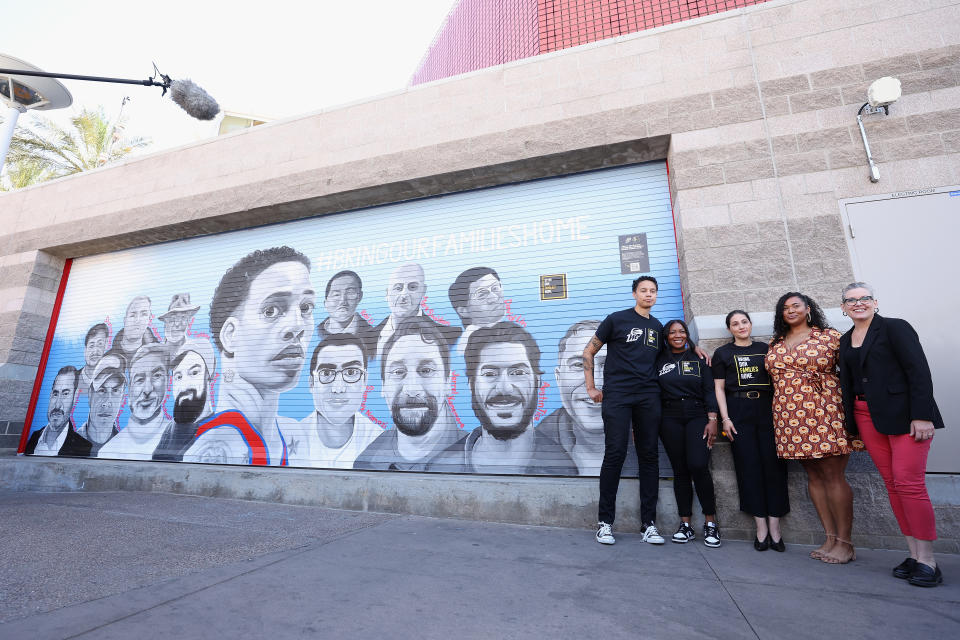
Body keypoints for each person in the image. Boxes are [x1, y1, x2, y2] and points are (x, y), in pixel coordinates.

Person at [838, 282, 945, 587]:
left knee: (909, 484)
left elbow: (919, 371)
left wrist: (922, 415)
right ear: (844, 307)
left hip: (905, 416)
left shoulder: (895, 328)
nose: (859, 303)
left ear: (875, 302)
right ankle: (913, 554)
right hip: (865, 416)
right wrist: (851, 427)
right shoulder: (846, 341)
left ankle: (928, 560)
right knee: (892, 485)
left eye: (864, 298)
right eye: (851, 300)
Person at [182, 246, 315, 466]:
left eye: (306, 307)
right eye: (271, 310)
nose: (297, 326)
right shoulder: (217, 448)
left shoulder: (293, 432)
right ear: (230, 336)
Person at [765, 292, 863, 564]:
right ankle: (830, 538)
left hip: (823, 409)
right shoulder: (776, 342)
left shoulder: (830, 337)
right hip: (789, 415)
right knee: (815, 477)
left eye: (796, 305)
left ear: (808, 309)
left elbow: (852, 373)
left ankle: (846, 543)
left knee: (833, 475)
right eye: (785, 308)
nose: (790, 310)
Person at [430, 322, 576, 475]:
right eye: (490, 374)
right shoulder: (442, 467)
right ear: (471, 384)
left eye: (518, 373)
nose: (504, 388)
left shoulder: (562, 467)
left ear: (537, 381)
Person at [586, 275, 666, 546]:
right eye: (643, 290)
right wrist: (591, 387)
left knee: (649, 455)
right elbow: (588, 352)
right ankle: (605, 523)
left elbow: (670, 356)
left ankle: (649, 525)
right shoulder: (616, 319)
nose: (648, 295)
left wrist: (696, 348)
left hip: (648, 396)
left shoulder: (657, 327)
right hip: (618, 395)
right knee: (616, 452)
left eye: (653, 291)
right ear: (634, 294)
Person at [712, 310, 789, 551]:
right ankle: (761, 528)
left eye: (744, 321)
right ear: (729, 329)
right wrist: (725, 419)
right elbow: (719, 389)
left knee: (774, 466)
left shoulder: (767, 349)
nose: (741, 326)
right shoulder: (723, 353)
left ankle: (775, 528)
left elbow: (780, 382)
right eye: (735, 324)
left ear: (751, 324)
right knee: (748, 467)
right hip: (738, 411)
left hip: (768, 410)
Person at [355, 316, 465, 471]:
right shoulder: (366, 462)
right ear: (383, 386)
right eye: (398, 372)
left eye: (426, 370)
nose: (412, 389)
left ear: (448, 382)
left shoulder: (474, 459)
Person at [656, 319, 721, 548]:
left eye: (681, 331)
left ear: (687, 335)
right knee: (680, 470)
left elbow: (709, 390)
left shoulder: (699, 359)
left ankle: (710, 523)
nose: (677, 335)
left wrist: (712, 418)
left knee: (698, 465)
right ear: (666, 336)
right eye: (672, 332)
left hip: (697, 414)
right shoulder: (659, 359)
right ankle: (685, 524)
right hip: (669, 416)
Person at [291, 333, 380, 469]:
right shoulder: (289, 438)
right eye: (326, 373)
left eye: (351, 373)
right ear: (311, 383)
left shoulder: (378, 442)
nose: (338, 389)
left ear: (365, 381)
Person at [98, 344, 171, 460]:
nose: (147, 389)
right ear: (130, 388)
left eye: (157, 376)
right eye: (139, 380)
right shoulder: (108, 452)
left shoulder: (180, 442)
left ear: (168, 381)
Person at [374, 263, 459, 359]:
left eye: (412, 287)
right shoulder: (365, 337)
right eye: (398, 288)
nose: (404, 295)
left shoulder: (452, 337)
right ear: (387, 293)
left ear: (423, 291)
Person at [153, 340, 216, 462]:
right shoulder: (171, 429)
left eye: (194, 373)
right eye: (178, 377)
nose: (184, 386)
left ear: (209, 377)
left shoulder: (218, 429)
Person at [24, 366, 92, 457]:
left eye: (65, 394)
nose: (57, 405)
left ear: (75, 398)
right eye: (55, 394)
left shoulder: (83, 446)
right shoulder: (33, 437)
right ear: (50, 396)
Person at [316, 270, 376, 357]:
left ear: (360, 297)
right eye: (336, 295)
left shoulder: (373, 338)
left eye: (350, 293)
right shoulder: (311, 335)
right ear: (325, 303)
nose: (342, 301)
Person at [448, 267, 505, 356]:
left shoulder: (501, 334)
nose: (494, 298)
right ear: (464, 311)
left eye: (495, 288)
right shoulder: (471, 345)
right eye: (482, 294)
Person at [76, 354, 126, 455]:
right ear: (90, 394)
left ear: (122, 398)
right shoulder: (69, 444)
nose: (107, 402)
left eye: (115, 390)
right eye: (102, 390)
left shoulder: (126, 449)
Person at [106, 296, 158, 366]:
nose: (137, 320)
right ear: (125, 320)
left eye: (144, 314)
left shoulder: (158, 354)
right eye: (132, 315)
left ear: (149, 320)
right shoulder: (107, 360)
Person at [77, 323, 108, 400]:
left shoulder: (111, 381)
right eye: (91, 345)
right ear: (85, 350)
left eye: (100, 344)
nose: (95, 351)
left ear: (106, 347)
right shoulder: (72, 379)